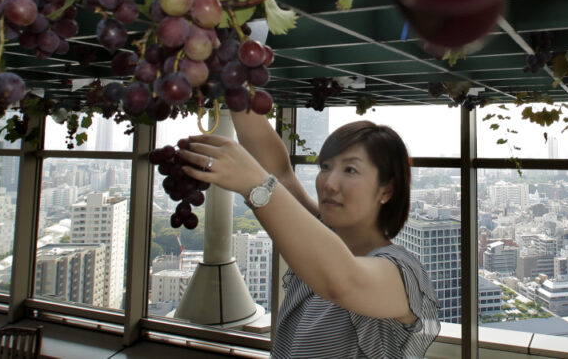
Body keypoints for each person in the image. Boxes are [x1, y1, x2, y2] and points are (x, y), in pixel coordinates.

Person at [181, 111, 440, 359]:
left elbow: (342, 281)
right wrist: (233, 84)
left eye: (350, 170)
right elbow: (279, 174)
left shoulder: (404, 274)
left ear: (387, 189)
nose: (328, 183)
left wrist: (256, 185)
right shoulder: (317, 237)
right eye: (325, 167)